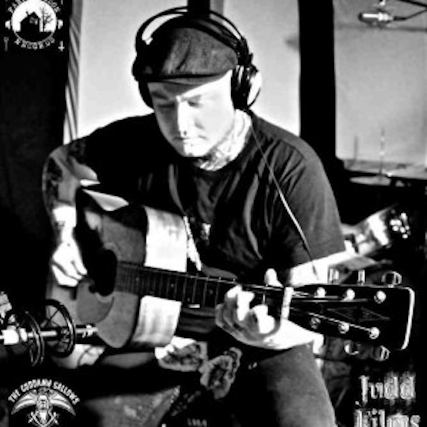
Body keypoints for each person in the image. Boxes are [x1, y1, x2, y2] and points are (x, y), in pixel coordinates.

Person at [42, 6, 348, 427]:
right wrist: (66, 238)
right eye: (163, 103)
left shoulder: (292, 168)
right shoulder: (136, 140)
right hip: (147, 325)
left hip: (256, 337)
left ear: (239, 89)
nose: (180, 124)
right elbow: (62, 164)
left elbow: (313, 313)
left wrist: (271, 333)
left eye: (198, 103)